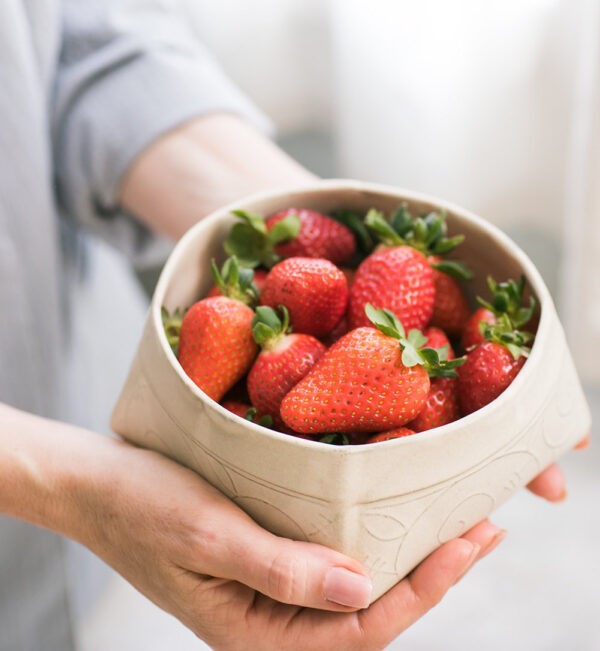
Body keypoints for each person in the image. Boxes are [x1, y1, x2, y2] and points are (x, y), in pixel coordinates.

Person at [0, 1, 588, 650]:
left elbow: (78, 40)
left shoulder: (365, 345)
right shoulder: (340, 352)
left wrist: (288, 219)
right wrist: (77, 487)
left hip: (68, 371)